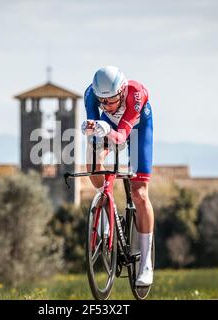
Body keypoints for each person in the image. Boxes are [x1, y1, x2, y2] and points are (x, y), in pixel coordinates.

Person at [81, 66, 154, 286]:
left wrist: (105, 128)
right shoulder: (90, 95)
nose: (106, 105)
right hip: (109, 126)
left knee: (139, 193)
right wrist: (92, 131)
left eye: (111, 100)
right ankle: (104, 206)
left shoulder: (136, 94)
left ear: (121, 92)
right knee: (93, 162)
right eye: (102, 101)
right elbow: (95, 139)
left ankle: (146, 264)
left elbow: (122, 137)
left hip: (138, 128)